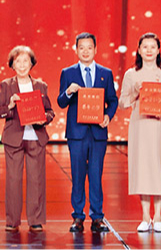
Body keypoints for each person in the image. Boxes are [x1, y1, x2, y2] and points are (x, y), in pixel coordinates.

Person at [119, 33, 161, 233]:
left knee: (160, 167)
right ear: (138, 50)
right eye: (144, 47)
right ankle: (145, 216)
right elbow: (122, 102)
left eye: (152, 47)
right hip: (140, 126)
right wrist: (136, 93)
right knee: (143, 169)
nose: (148, 50)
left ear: (158, 50)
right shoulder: (131, 75)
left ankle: (159, 216)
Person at [56, 32, 118, 233]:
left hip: (98, 133)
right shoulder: (68, 73)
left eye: (89, 47)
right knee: (77, 175)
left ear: (95, 49)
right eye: (81, 47)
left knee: (96, 175)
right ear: (76, 50)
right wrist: (69, 92)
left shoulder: (105, 73)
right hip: (77, 133)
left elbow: (113, 100)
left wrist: (108, 115)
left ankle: (97, 217)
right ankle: (78, 216)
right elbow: (61, 102)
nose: (85, 51)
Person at [0, 45, 55, 233]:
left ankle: (35, 220)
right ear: (12, 65)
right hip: (14, 138)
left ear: (31, 63)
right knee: (13, 180)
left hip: (35, 137)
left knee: (36, 180)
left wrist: (44, 119)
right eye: (18, 61)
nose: (22, 65)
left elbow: (50, 112)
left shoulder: (41, 86)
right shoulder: (6, 85)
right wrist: (9, 107)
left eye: (25, 61)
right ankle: (12, 220)